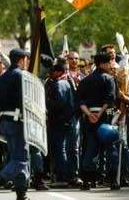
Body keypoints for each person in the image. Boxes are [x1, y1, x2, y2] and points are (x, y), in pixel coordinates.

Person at [0, 48, 36, 200]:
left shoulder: (1, 78)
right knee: (22, 159)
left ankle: (22, 196)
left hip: (4, 122)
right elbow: (28, 101)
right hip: (18, 121)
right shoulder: (22, 76)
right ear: (22, 60)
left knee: (16, 158)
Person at [77, 52, 120, 191]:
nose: (111, 65)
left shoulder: (85, 80)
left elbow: (79, 101)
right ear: (102, 64)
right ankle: (113, 180)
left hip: (89, 117)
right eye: (109, 62)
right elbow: (110, 99)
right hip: (106, 115)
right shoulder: (109, 79)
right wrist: (99, 114)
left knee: (90, 148)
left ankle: (87, 181)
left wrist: (90, 114)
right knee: (111, 147)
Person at [45, 62, 77, 187]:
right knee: (70, 149)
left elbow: (58, 103)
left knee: (59, 149)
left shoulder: (59, 84)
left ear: (58, 72)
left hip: (59, 121)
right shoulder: (67, 82)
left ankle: (62, 177)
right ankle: (70, 175)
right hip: (68, 120)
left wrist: (47, 103)